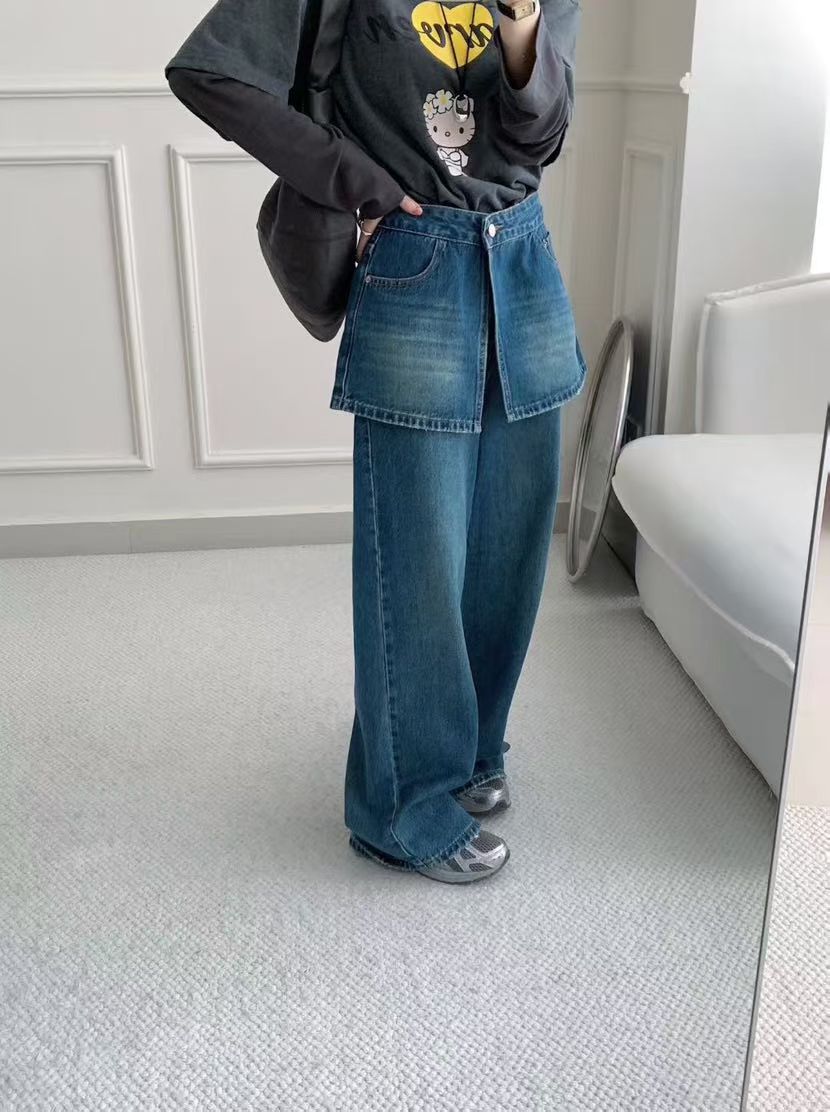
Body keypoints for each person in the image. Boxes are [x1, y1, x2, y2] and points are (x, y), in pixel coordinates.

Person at [168, 0, 586, 884]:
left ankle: (470, 753)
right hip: (417, 261)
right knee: (416, 558)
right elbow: (208, 70)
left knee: (508, 546)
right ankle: (400, 806)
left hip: (523, 260)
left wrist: (522, 29)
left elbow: (540, 139)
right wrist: (353, 178)